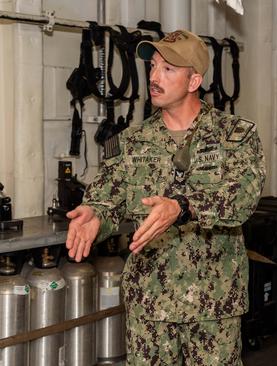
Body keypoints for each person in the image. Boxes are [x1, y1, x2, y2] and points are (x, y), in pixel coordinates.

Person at [65, 29, 265, 365]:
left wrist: (183, 207)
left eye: (168, 69)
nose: (155, 77)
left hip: (212, 306)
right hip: (150, 304)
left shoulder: (236, 136)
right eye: (153, 67)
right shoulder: (130, 142)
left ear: (193, 81)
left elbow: (242, 198)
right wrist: (94, 216)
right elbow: (106, 199)